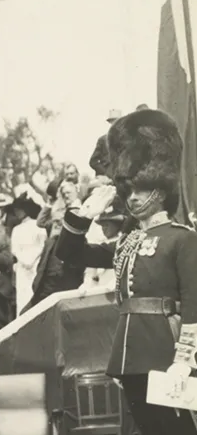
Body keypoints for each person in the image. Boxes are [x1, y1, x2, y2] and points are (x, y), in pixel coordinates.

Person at [55, 110, 197, 435]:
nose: (131, 196)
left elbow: (193, 303)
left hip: (167, 352)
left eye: (141, 189)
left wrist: (185, 359)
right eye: (129, 189)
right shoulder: (127, 242)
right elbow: (70, 253)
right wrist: (82, 215)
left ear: (160, 191)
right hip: (129, 356)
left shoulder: (182, 238)